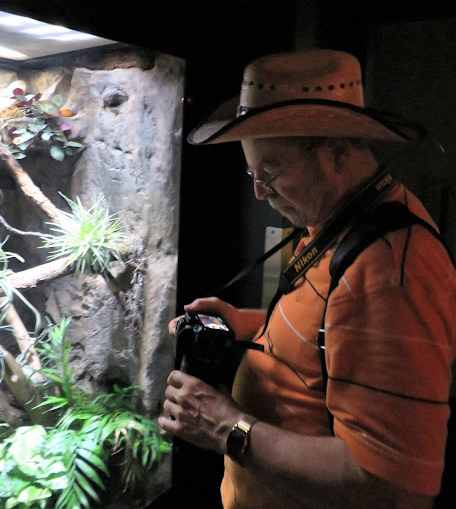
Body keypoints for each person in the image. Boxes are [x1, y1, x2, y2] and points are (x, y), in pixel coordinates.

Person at [158, 49, 456, 509]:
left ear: (335, 154)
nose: (259, 192)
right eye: (252, 172)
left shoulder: (390, 270)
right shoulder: (338, 224)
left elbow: (390, 488)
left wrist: (225, 427)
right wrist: (245, 324)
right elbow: (333, 336)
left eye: (271, 171)